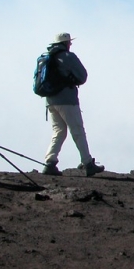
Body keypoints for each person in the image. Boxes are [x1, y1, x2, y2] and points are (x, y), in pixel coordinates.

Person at [41, 33, 104, 176]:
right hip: (67, 100)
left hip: (50, 101)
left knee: (59, 131)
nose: (70, 44)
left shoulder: (48, 57)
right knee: (78, 131)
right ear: (66, 43)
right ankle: (88, 164)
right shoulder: (68, 57)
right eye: (69, 42)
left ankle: (49, 162)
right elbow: (83, 76)